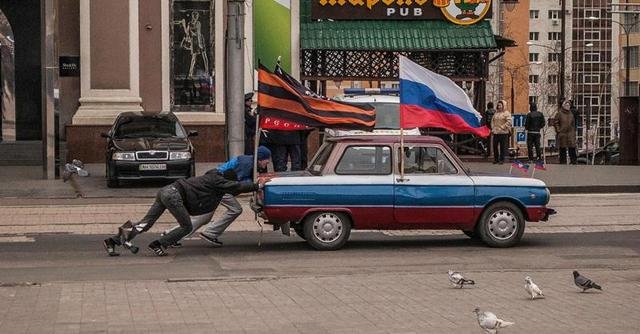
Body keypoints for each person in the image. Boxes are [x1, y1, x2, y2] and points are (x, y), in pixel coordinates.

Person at [102, 168, 269, 257]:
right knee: (186, 226)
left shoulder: (211, 178)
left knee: (147, 223)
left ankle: (113, 241)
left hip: (166, 191)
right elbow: (236, 187)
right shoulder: (218, 181)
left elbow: (232, 191)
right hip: (175, 196)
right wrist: (257, 186)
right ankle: (159, 244)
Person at [198, 146, 272, 246]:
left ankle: (175, 236)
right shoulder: (247, 164)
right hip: (221, 186)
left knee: (205, 216)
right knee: (236, 209)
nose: (268, 162)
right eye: (266, 159)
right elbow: (238, 185)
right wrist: (256, 183)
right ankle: (210, 233)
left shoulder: (251, 163)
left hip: (219, 185)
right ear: (260, 158)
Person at [553, 99, 577, 164]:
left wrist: (573, 131)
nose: (568, 106)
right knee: (562, 148)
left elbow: (573, 124)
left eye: (569, 105)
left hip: (570, 134)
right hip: (562, 133)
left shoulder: (571, 114)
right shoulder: (559, 113)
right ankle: (563, 162)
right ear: (563, 106)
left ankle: (573, 161)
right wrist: (558, 130)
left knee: (572, 148)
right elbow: (555, 122)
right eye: (566, 105)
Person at [491, 100, 512, 164]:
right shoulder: (496, 113)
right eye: (498, 105)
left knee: (502, 147)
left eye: (500, 105)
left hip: (503, 132)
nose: (499, 106)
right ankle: (496, 159)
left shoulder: (506, 113)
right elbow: (492, 121)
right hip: (496, 132)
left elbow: (509, 122)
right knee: (495, 146)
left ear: (503, 106)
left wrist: (502, 127)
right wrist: (493, 128)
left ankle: (501, 159)